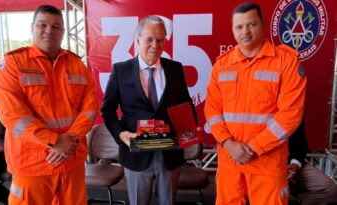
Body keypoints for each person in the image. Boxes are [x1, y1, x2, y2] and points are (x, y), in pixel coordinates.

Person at [0, 5, 99, 205]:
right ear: (32, 27)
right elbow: (13, 116)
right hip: (32, 163)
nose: (49, 30)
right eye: (42, 25)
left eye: (56, 26)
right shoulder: (13, 64)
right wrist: (55, 141)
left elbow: (89, 110)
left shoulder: (77, 65)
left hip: (71, 159)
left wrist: (69, 142)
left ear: (63, 32)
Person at [204, 2, 307, 205]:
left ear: (262, 24)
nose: (245, 32)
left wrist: (252, 148)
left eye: (251, 24)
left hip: (267, 161)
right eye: (239, 27)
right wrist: (227, 143)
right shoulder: (221, 66)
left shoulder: (286, 62)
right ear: (233, 30)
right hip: (230, 160)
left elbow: (291, 115)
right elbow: (212, 110)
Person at [101, 15, 196, 205]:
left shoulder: (175, 69)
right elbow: (108, 110)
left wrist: (190, 131)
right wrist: (121, 134)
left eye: (160, 40)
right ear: (137, 40)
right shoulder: (121, 70)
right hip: (136, 154)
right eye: (149, 39)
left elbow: (186, 106)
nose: (155, 45)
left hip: (169, 153)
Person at [288, 120, 337, 205]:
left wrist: (294, 164)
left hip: (290, 163)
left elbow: (300, 144)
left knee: (327, 187)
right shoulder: (260, 112)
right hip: (263, 167)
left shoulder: (292, 110)